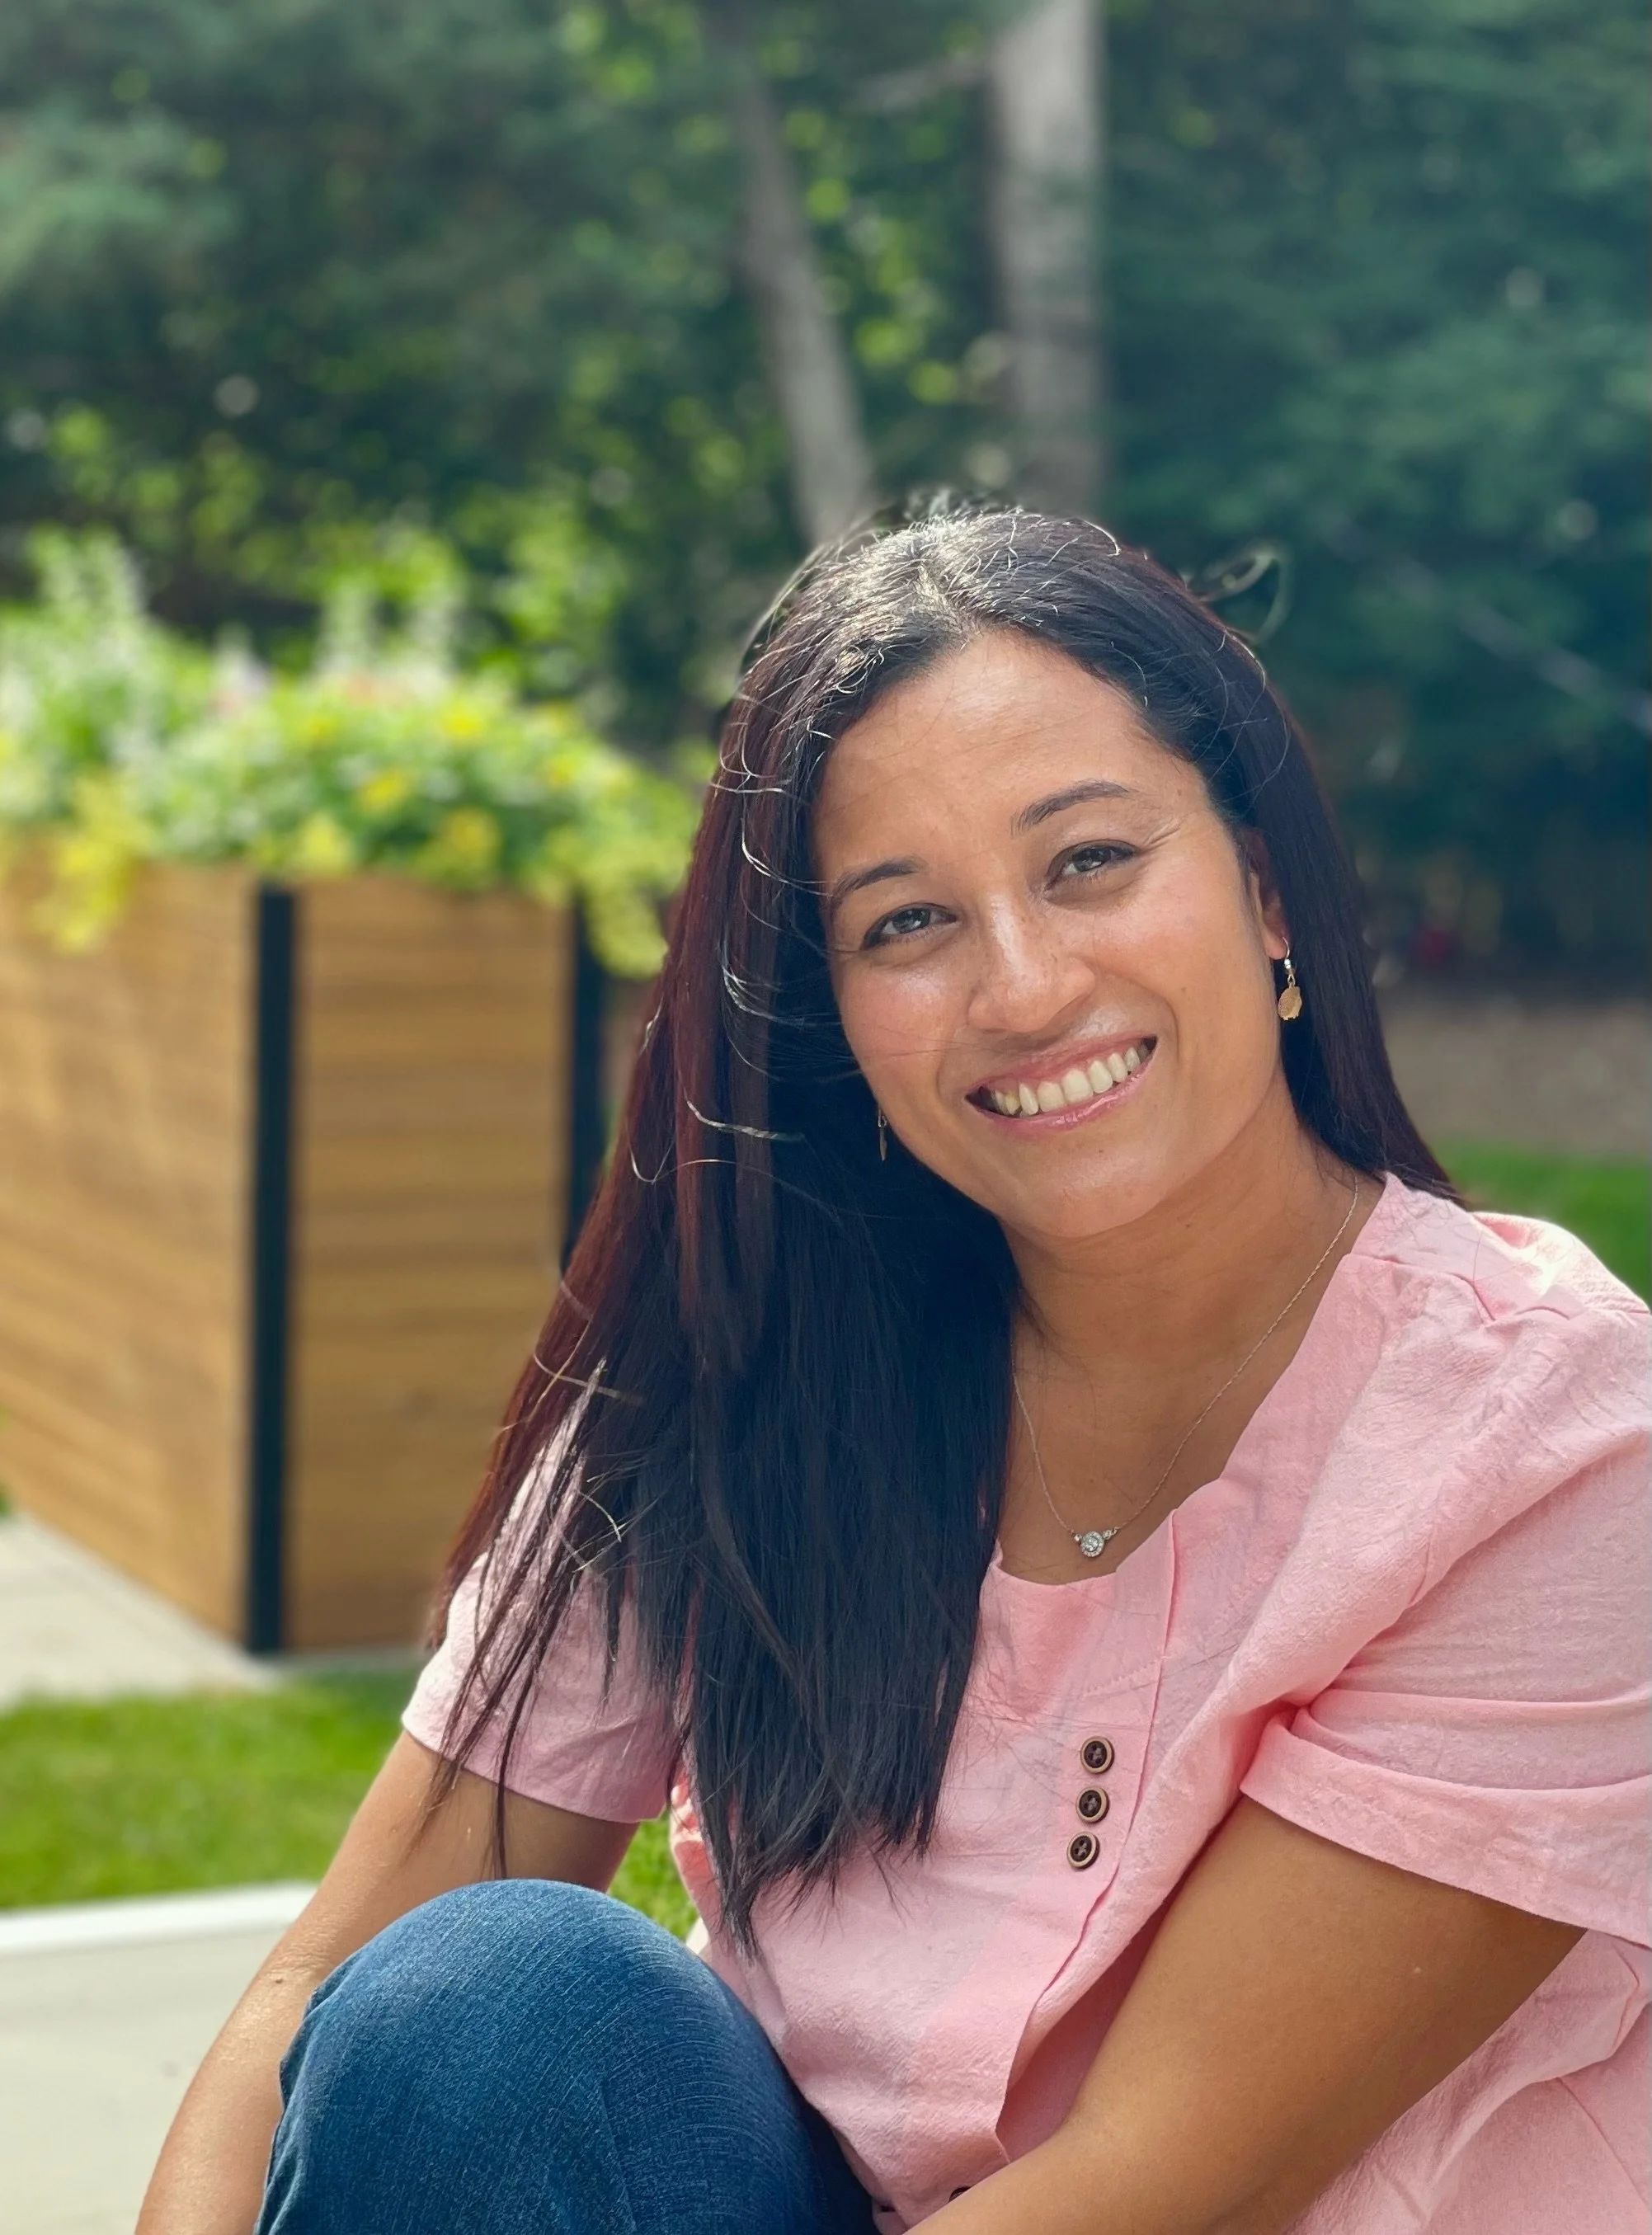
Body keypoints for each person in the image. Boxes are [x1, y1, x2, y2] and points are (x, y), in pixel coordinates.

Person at [139, 510, 1649, 2235]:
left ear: (1269, 892)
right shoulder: (747, 1375)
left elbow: (1166, 2181)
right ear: (834, 1024)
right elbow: (315, 1985)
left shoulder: (1554, 1451)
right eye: (906, 921)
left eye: (1086, 861)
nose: (1020, 984)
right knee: (483, 2009)